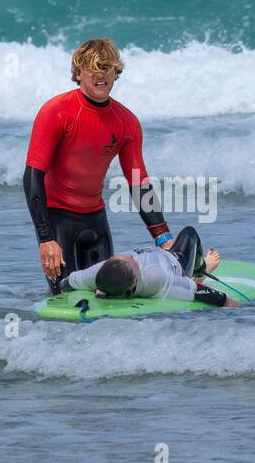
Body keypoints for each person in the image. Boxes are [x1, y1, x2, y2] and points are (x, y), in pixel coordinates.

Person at [23, 38, 175, 292]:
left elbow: (138, 183)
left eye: (107, 67)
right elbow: (32, 176)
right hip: (58, 219)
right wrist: (45, 238)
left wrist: (164, 236)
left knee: (109, 296)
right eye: (93, 68)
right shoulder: (57, 112)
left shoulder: (126, 122)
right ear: (79, 74)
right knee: (64, 297)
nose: (101, 75)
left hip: (96, 220)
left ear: (116, 72)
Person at [60, 225, 235, 307]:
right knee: (190, 233)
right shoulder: (154, 279)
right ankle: (201, 269)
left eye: (122, 257)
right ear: (135, 280)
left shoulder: (98, 272)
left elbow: (68, 282)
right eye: (132, 261)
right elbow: (198, 291)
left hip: (156, 255)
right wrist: (230, 304)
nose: (130, 256)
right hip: (175, 261)